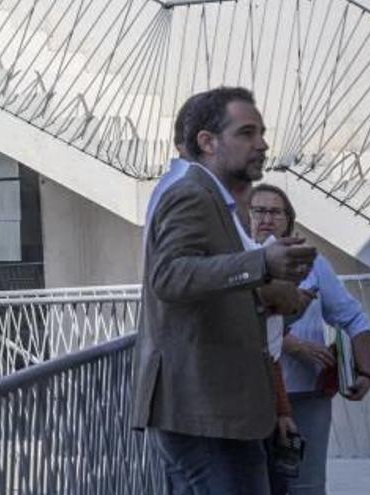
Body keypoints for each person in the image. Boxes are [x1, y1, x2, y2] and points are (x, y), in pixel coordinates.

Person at [132, 87, 318, 494]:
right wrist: (262, 265)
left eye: (262, 132)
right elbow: (169, 276)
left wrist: (270, 285)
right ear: (207, 141)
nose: (263, 144)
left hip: (218, 410)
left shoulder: (207, 195)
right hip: (204, 411)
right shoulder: (189, 192)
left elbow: (213, 282)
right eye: (247, 133)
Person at [250, 183, 370, 494]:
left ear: (289, 220)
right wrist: (290, 342)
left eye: (275, 212)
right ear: (244, 216)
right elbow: (239, 322)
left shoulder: (313, 264)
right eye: (258, 210)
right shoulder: (238, 260)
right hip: (251, 399)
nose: (266, 218)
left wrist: (366, 373)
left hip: (308, 395)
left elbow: (353, 317)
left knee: (306, 486)